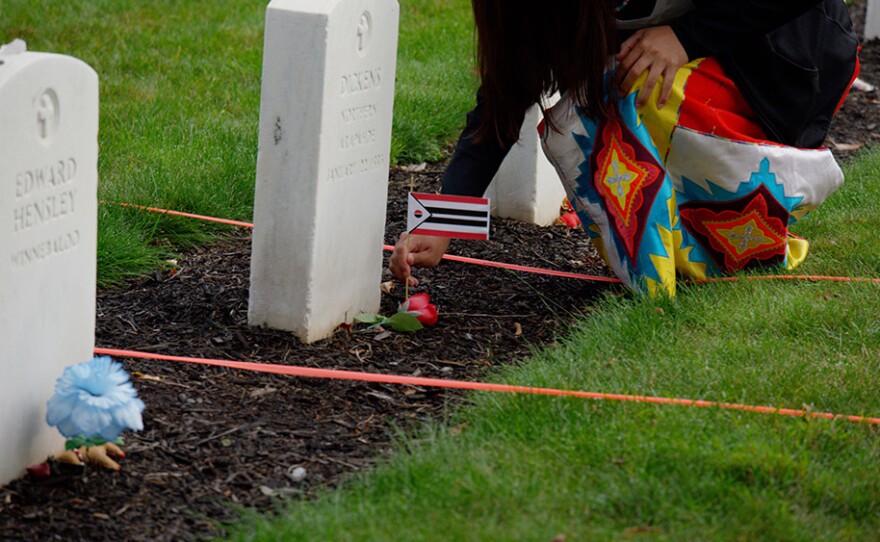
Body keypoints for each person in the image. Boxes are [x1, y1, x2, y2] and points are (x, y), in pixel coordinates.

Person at [390, 0, 859, 296]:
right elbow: (502, 99)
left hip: (778, 58)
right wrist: (442, 222)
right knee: (581, 116)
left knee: (628, 88)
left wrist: (684, 38)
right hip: (691, 65)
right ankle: (674, 257)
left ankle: (736, 239)